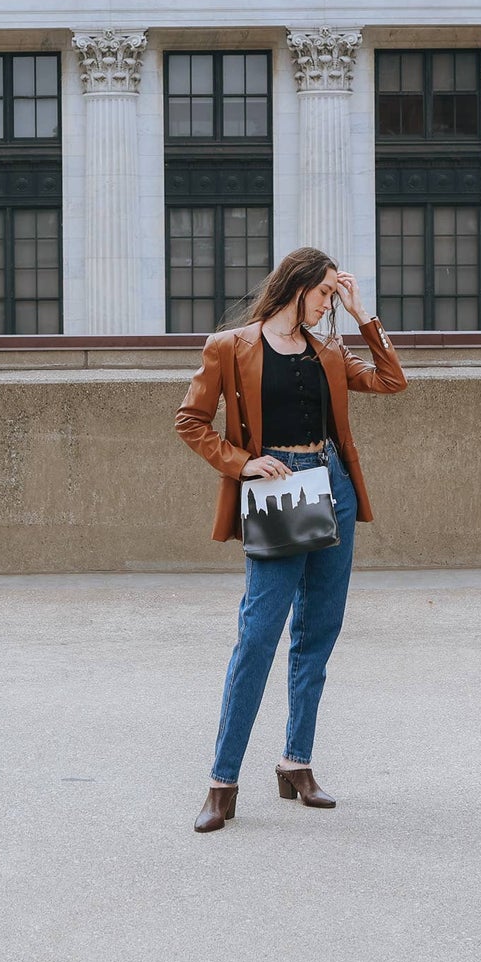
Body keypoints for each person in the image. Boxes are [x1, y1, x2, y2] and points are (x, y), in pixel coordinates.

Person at [174, 247, 407, 833]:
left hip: (332, 487)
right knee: (257, 636)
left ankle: (296, 764)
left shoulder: (329, 352)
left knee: (318, 631)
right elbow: (191, 421)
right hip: (276, 493)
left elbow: (391, 380)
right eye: (327, 291)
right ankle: (222, 783)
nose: (330, 300)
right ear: (298, 286)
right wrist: (242, 463)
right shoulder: (231, 347)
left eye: (334, 292)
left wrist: (362, 316)